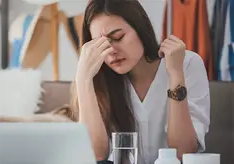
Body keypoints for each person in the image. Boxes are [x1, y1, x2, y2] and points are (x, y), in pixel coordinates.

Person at [69, 0, 210, 164]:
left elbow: (183, 152)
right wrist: (83, 79)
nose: (111, 51)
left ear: (140, 28)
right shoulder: (98, 77)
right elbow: (94, 156)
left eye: (118, 37)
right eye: (101, 45)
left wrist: (175, 74)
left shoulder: (186, 63)